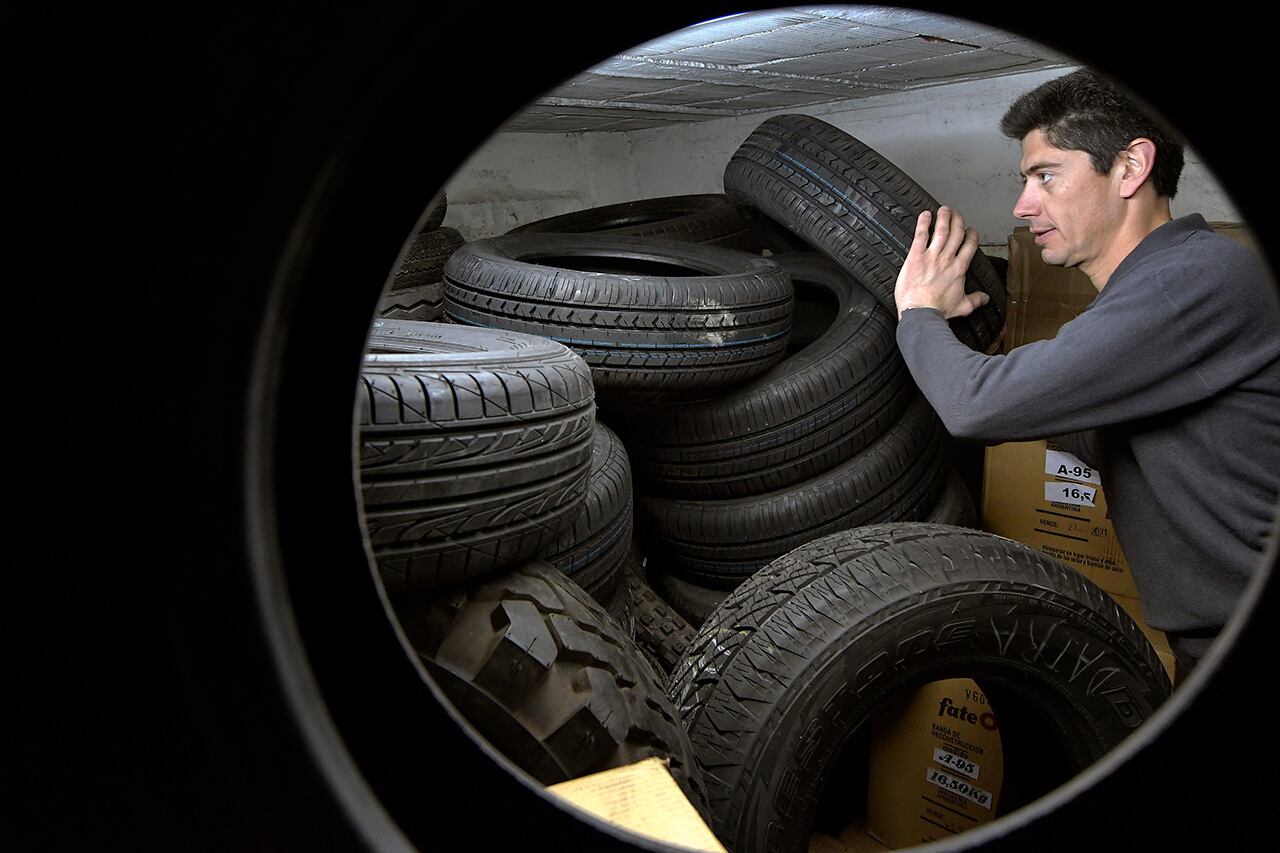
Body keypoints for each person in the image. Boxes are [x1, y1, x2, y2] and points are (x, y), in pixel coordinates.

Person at [892, 68, 1280, 684]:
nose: (1021, 206)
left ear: (1131, 168)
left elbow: (973, 409)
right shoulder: (1155, 294)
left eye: (1046, 175)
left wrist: (918, 314)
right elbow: (1093, 433)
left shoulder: (1193, 280)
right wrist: (999, 367)